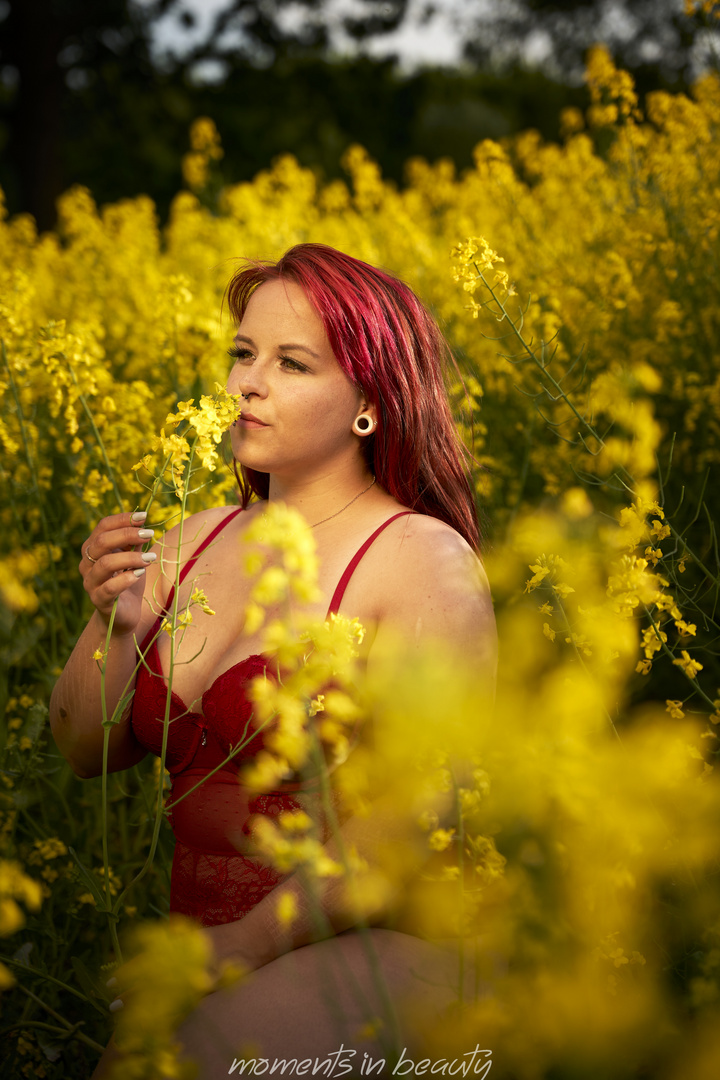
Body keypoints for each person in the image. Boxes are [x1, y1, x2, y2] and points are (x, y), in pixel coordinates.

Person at [49, 243, 497, 1076]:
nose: (245, 384)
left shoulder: (424, 562)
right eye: (242, 354)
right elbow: (83, 750)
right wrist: (116, 623)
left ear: (371, 402)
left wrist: (235, 952)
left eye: (290, 364)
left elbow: (412, 825)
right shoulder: (189, 540)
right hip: (208, 942)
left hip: (375, 950)